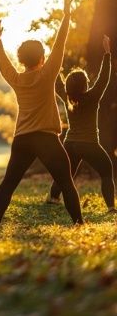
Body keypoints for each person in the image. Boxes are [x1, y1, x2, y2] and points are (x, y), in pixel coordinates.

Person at [0, 0, 83, 225]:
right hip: (46, 138)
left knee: (8, 183)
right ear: (42, 59)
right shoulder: (46, 74)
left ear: (21, 60)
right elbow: (60, 43)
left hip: (22, 138)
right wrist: (66, 16)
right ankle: (79, 223)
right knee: (66, 183)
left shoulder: (17, 79)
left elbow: (3, 62)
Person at [48, 35, 114, 211]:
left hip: (70, 143)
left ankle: (53, 197)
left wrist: (54, 61)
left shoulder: (67, 96)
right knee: (107, 172)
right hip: (89, 144)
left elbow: (57, 82)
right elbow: (104, 78)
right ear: (85, 85)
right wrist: (107, 53)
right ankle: (110, 207)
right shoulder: (92, 97)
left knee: (66, 173)